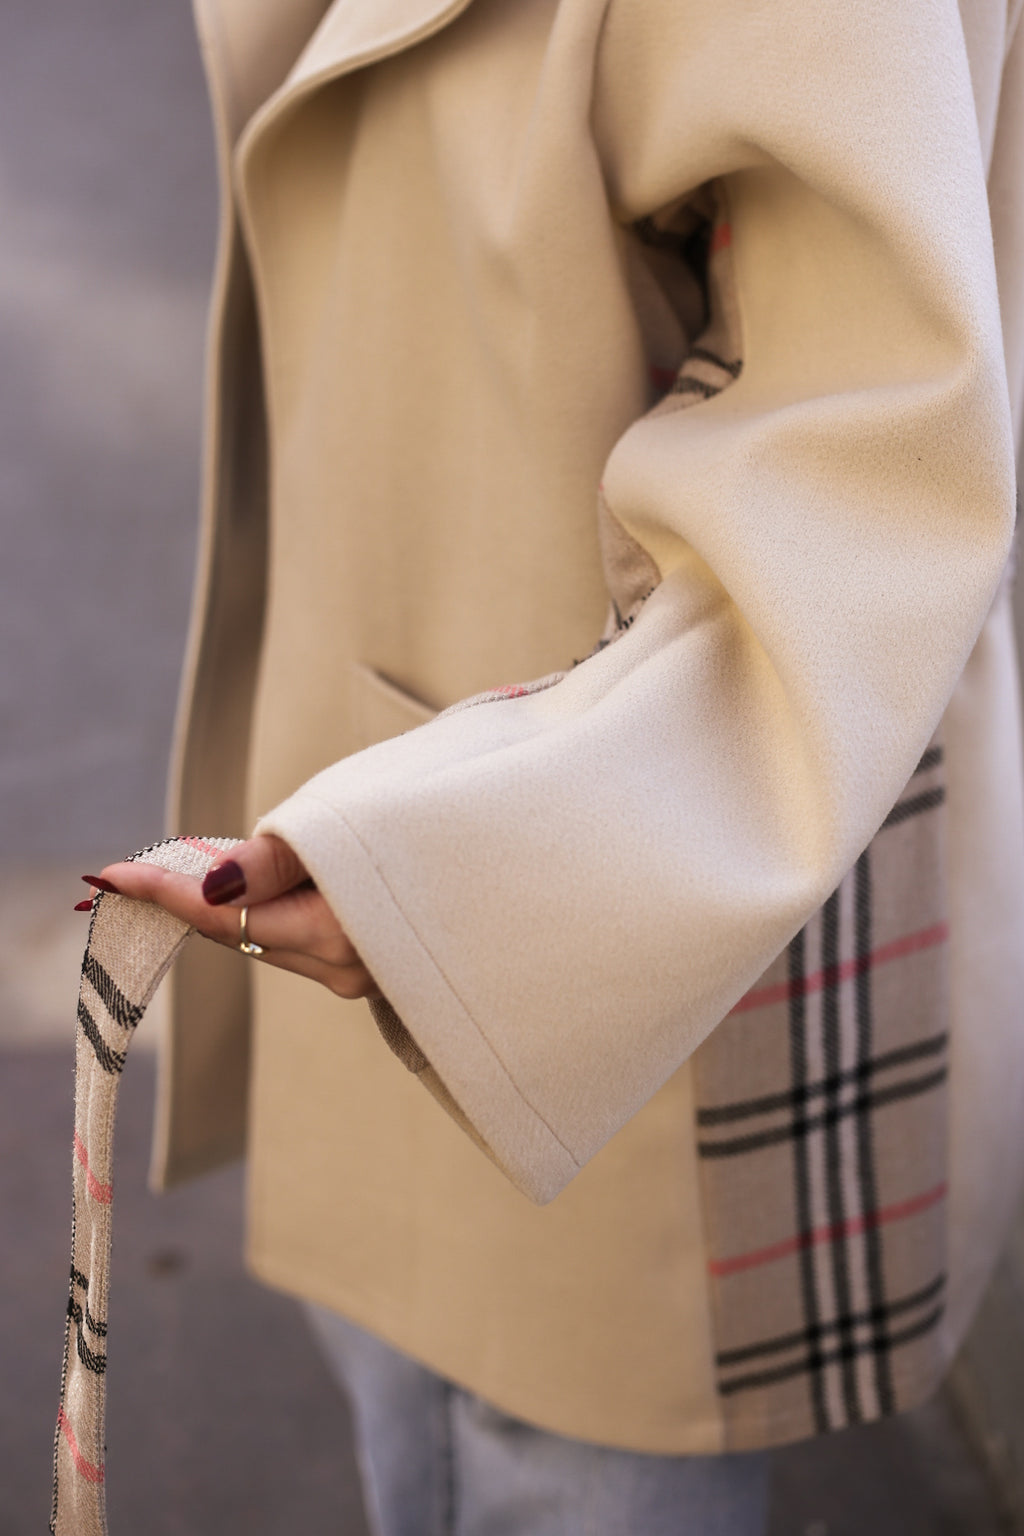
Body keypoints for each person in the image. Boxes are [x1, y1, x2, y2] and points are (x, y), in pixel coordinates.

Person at [92, 0, 1024, 1529]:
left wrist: (466, 879)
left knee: (532, 1455)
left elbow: (862, 463)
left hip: (608, 913)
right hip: (421, 830)